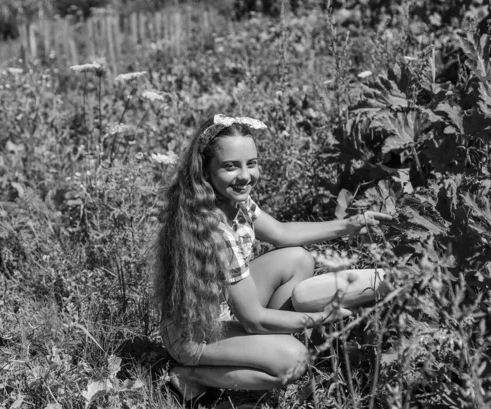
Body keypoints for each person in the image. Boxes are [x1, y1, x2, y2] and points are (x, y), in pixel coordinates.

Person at [153, 114, 393, 404]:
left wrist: (350, 224)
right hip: (195, 333)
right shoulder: (215, 232)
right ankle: (191, 376)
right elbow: (253, 320)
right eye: (231, 166)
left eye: (251, 163)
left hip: (226, 309)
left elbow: (280, 232)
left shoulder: (233, 200)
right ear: (205, 170)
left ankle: (267, 344)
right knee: (293, 361)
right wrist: (320, 318)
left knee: (297, 259)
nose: (245, 175)